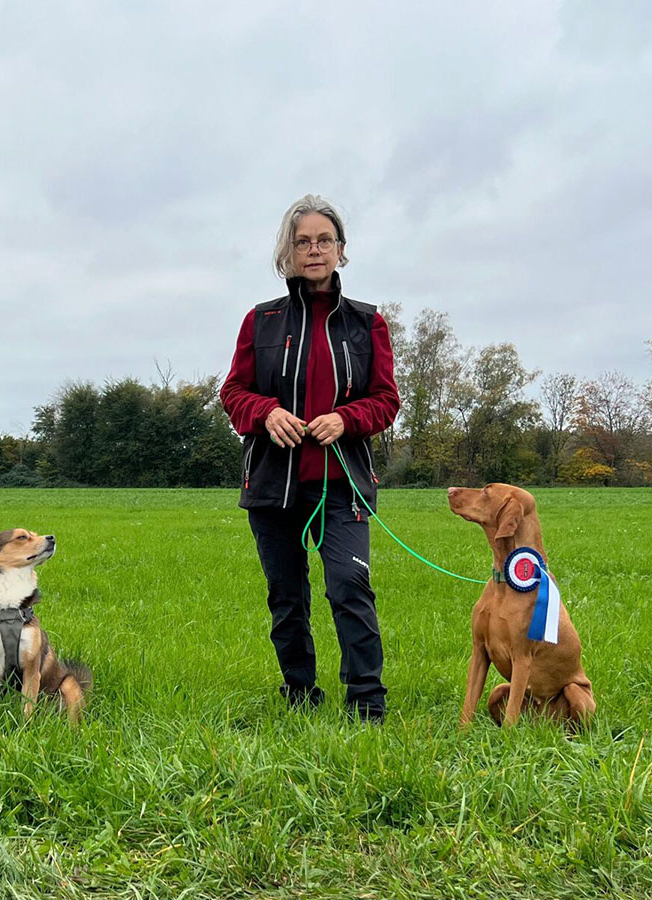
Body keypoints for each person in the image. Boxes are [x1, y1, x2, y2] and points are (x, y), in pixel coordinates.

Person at [220, 195, 400, 721]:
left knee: (350, 586)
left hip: (342, 485)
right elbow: (233, 392)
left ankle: (367, 702)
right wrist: (266, 412)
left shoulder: (368, 323)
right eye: (303, 242)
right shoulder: (261, 321)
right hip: (272, 485)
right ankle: (299, 694)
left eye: (324, 240)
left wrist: (346, 419)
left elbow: (386, 400)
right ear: (289, 252)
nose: (314, 250)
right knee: (286, 596)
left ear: (340, 250)